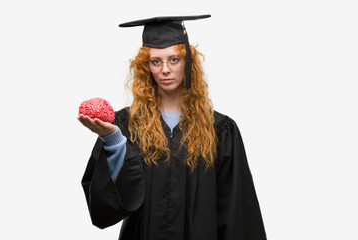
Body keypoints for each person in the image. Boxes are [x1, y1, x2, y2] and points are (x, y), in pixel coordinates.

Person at [78, 15, 267, 240]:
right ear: (146, 67)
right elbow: (104, 211)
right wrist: (115, 142)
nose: (165, 69)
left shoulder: (220, 130)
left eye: (174, 59)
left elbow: (237, 214)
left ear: (188, 63)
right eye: (156, 61)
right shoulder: (125, 125)